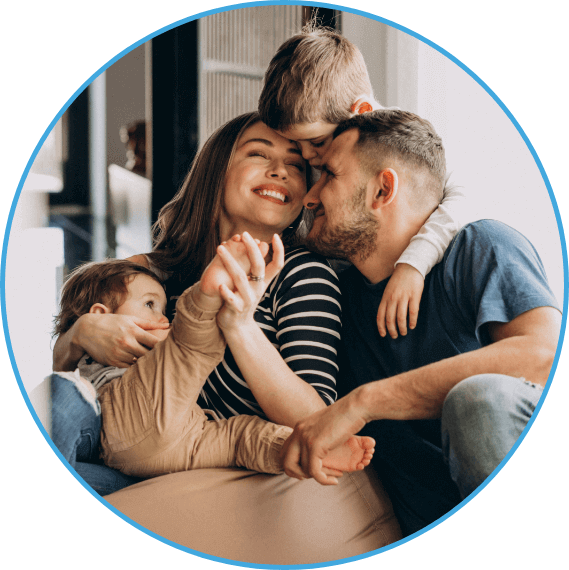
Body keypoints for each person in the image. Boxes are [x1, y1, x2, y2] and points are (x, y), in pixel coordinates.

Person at [280, 109, 562, 536]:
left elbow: (541, 356)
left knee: (477, 403)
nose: (310, 196)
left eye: (329, 176)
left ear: (382, 189)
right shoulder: (334, 299)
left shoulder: (479, 247)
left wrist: (363, 402)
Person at [52, 247, 375, 479]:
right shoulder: (107, 344)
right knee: (191, 348)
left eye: (163, 307)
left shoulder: (304, 272)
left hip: (185, 433)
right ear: (100, 315)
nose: (163, 317)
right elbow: (64, 377)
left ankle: (305, 451)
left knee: (243, 438)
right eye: (150, 304)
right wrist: (78, 334)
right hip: (125, 438)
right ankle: (205, 298)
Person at [258, 24, 467, 339]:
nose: (308, 156)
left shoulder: (402, 145)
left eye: (315, 141)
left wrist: (412, 264)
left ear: (362, 112)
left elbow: (461, 197)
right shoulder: (313, 145)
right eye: (295, 145)